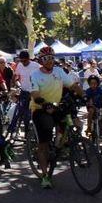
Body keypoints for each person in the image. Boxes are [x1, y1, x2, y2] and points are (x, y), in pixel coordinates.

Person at [30, 46, 84, 189]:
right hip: (40, 109)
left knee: (73, 122)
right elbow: (35, 93)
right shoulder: (35, 75)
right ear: (41, 60)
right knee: (44, 143)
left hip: (56, 107)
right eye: (46, 58)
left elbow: (72, 85)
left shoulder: (59, 71)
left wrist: (86, 96)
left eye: (52, 58)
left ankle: (62, 144)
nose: (50, 61)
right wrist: (42, 102)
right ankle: (45, 176)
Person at [9, 50, 39, 134]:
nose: (23, 63)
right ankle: (12, 129)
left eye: (24, 61)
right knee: (18, 111)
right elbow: (15, 76)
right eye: (21, 61)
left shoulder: (36, 66)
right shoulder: (20, 65)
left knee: (29, 114)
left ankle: (28, 131)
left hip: (34, 92)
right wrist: (15, 84)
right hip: (24, 92)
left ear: (29, 58)